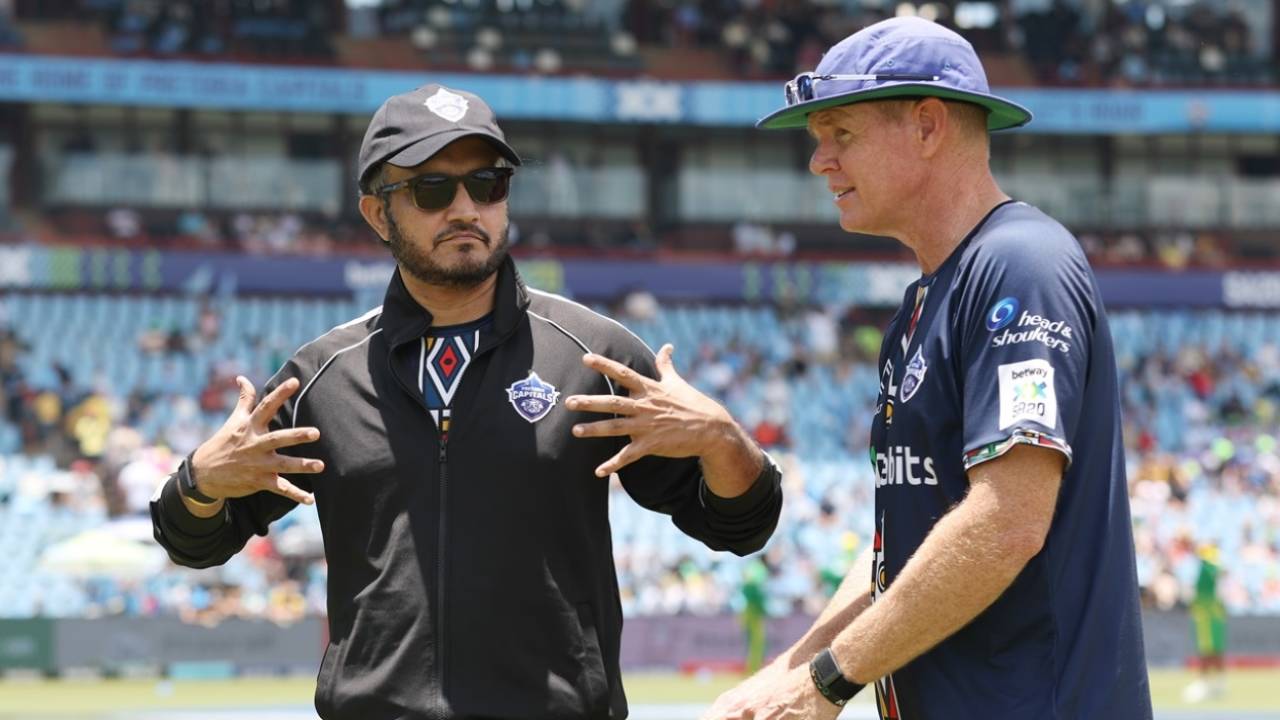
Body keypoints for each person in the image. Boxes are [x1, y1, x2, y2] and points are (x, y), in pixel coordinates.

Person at [150, 83, 783, 720]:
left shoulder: (594, 356)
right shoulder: (322, 377)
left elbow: (737, 525)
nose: (466, 208)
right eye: (432, 189)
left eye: (488, 184)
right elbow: (195, 543)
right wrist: (199, 482)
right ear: (377, 214)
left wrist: (724, 441)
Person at [704, 17, 1152, 720]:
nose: (819, 161)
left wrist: (824, 682)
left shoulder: (1020, 265)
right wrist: (792, 673)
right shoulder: (924, 302)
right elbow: (908, 550)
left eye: (840, 133)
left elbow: (1005, 523)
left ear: (927, 126)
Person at [1183, 543, 1227, 702]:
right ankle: (1217, 684)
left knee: (1208, 650)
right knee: (1213, 650)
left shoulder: (1207, 568)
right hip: (1213, 615)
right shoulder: (1212, 569)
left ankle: (1204, 684)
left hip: (1206, 616)